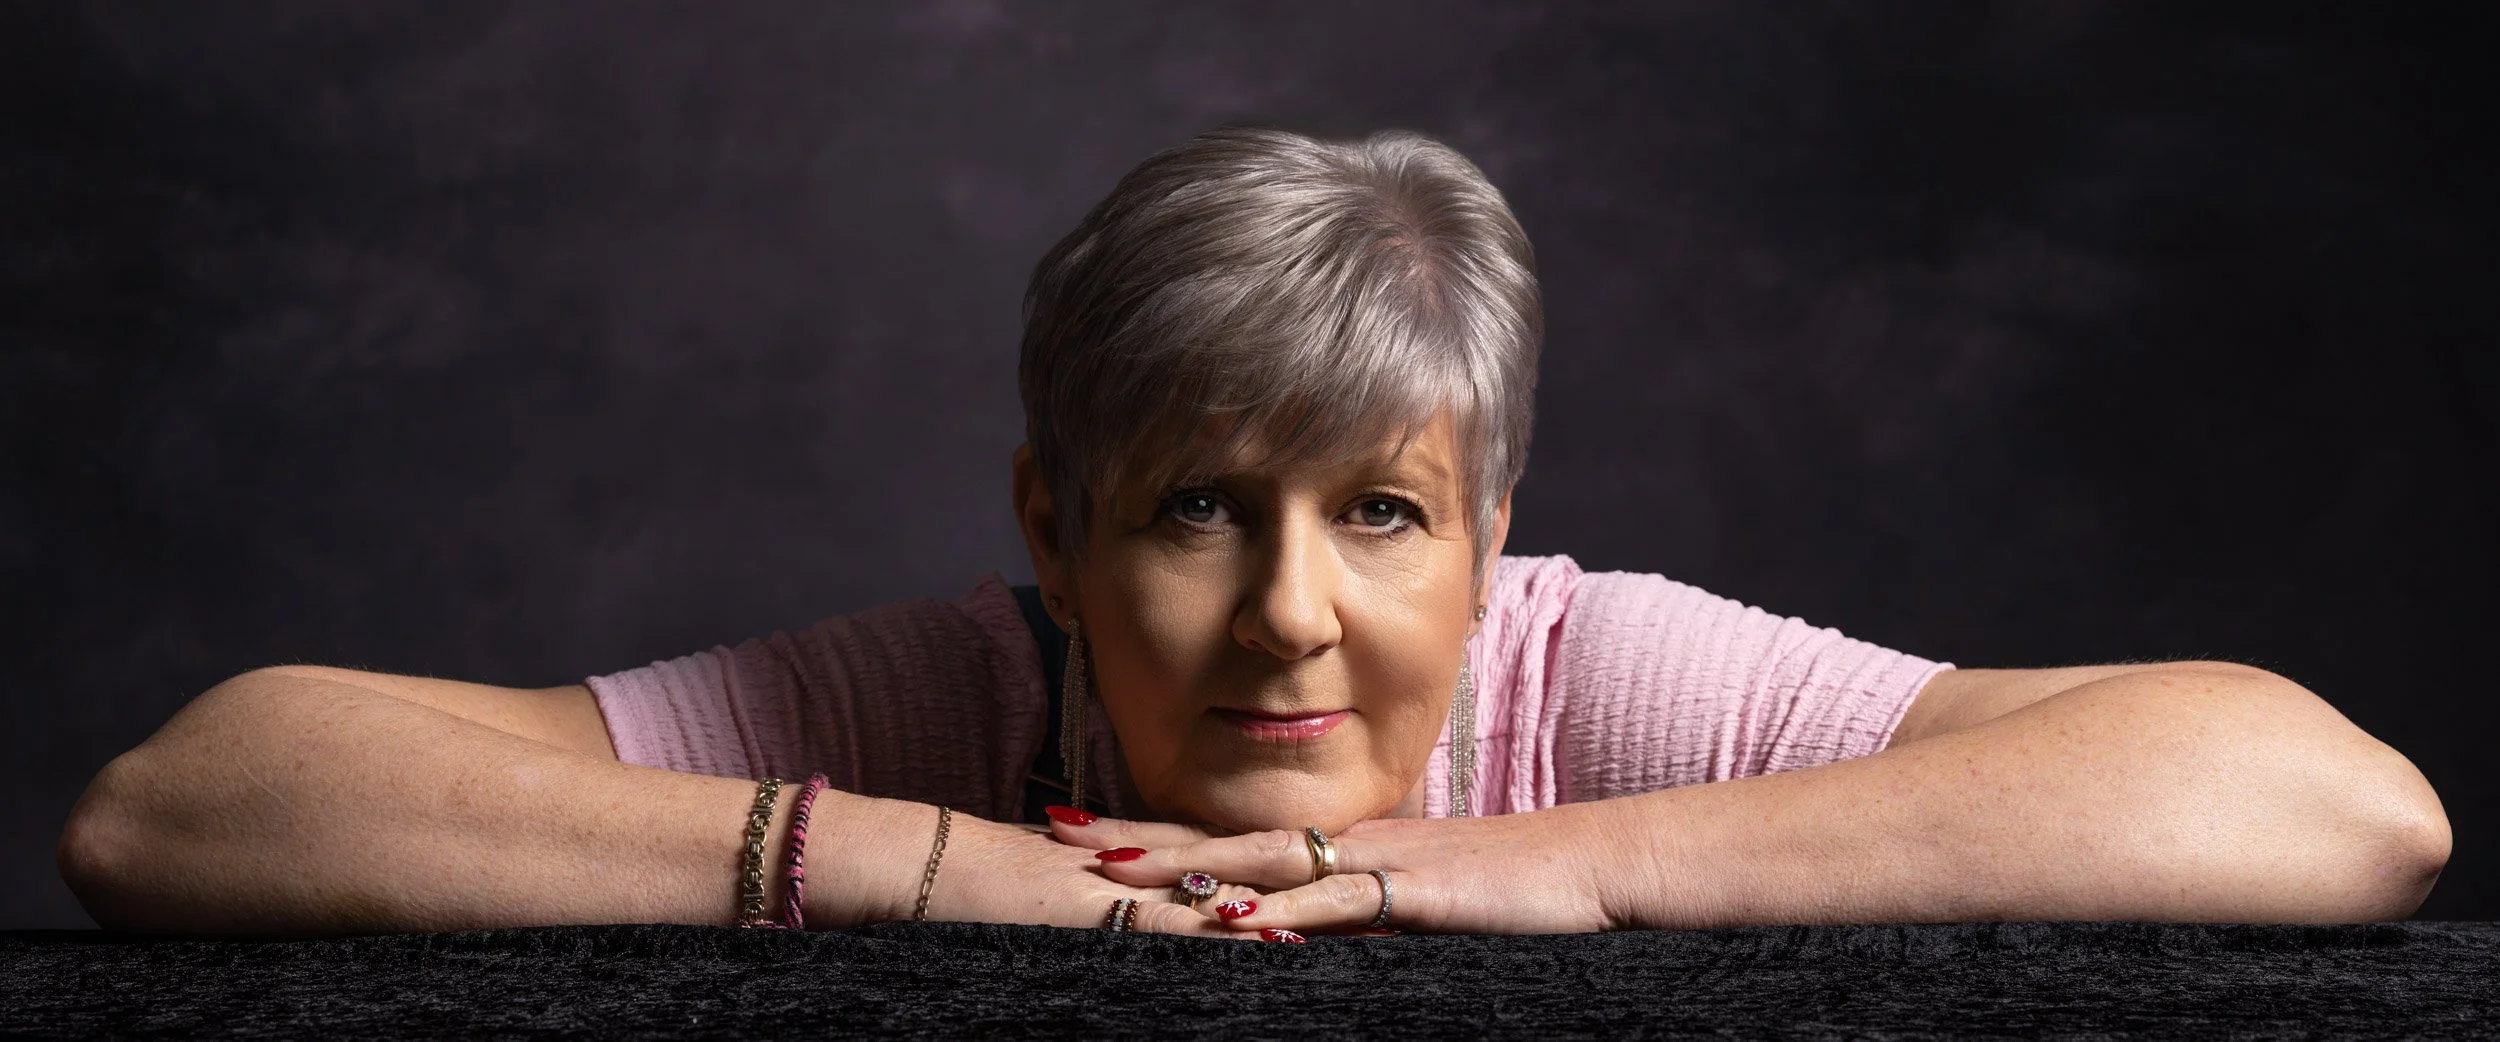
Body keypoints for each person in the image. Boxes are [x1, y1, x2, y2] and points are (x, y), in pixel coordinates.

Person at [58, 125, 2449, 941]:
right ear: (1053, 526)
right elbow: (180, 805)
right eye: (1197, 505)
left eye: (1381, 511)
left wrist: (1551, 865)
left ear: (1489, 537)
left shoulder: (1583, 673)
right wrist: (927, 861)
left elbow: (2332, 803)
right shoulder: (951, 696)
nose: (1288, 612)